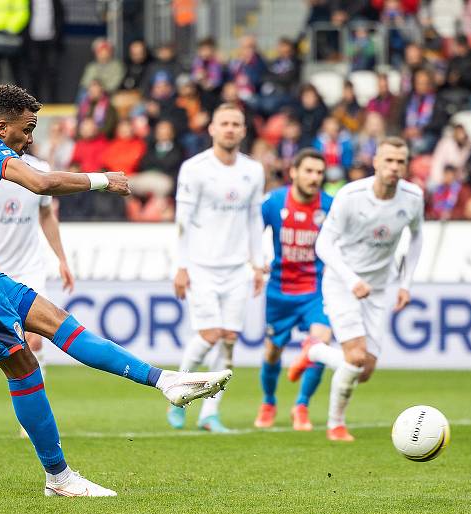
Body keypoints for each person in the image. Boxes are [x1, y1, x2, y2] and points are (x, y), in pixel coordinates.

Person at [0, 84, 231, 497]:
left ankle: (164, 381)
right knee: (23, 364)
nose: (29, 138)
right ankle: (59, 478)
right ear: (0, 125)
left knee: (58, 322)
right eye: (26, 129)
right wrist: (103, 180)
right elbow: (42, 184)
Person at [290, 137, 424, 441]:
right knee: (355, 357)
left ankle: (315, 350)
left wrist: (406, 283)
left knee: (364, 371)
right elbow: (323, 243)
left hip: (378, 288)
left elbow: (417, 238)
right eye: (388, 160)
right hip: (342, 283)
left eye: (400, 161)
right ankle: (335, 424)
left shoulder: (413, 197)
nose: (394, 167)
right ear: (375, 162)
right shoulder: (351, 195)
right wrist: (351, 280)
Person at [0, 151, 74, 437]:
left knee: (35, 340)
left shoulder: (40, 169)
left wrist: (61, 258)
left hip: (29, 269)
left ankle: (32, 417)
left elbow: (46, 214)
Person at [168, 103, 265, 433]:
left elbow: (254, 218)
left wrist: (258, 262)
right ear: (211, 128)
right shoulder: (195, 169)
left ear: (243, 130)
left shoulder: (254, 170)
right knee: (209, 335)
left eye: (236, 123)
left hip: (238, 267)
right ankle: (178, 389)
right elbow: (183, 221)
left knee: (228, 340)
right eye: (223, 123)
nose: (230, 129)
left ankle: (210, 414)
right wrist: (181, 267)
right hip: (202, 265)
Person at [255, 149, 333, 431]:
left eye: (319, 173)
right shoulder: (275, 202)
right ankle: (268, 401)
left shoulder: (330, 206)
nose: (315, 178)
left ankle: (301, 405)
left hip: (316, 290)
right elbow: (251, 230)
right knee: (272, 353)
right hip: (279, 291)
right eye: (309, 171)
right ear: (294, 172)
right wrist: (255, 260)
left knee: (321, 344)